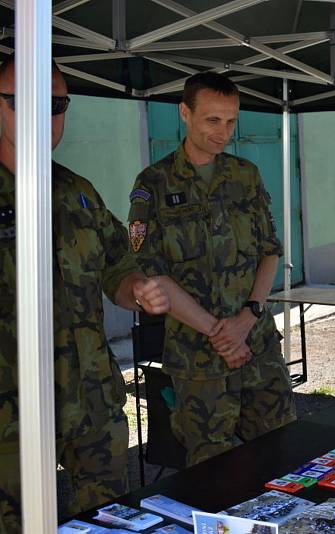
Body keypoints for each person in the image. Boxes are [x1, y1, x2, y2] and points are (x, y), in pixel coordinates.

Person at [0, 56, 171, 530]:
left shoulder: (76, 191)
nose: (42, 117)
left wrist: (136, 289)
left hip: (89, 400)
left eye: (55, 105)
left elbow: (117, 265)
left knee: (109, 519)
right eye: (22, 103)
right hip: (9, 414)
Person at [127, 72, 296, 467]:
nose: (224, 132)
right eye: (212, 120)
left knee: (285, 453)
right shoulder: (152, 183)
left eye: (232, 121)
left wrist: (247, 318)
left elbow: (270, 251)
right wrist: (220, 334)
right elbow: (152, 271)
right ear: (185, 113)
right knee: (214, 470)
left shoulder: (244, 176)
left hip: (257, 345)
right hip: (197, 358)